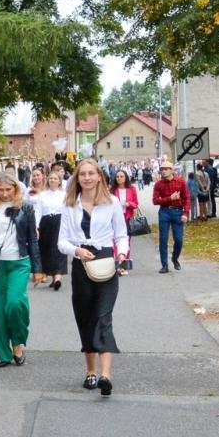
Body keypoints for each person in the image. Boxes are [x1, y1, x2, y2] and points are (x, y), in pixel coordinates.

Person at [59, 159, 129, 396]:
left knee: (103, 316)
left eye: (91, 173)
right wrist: (76, 251)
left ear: (99, 176)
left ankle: (105, 375)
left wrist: (121, 255)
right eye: (82, 174)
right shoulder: (69, 205)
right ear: (77, 179)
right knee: (86, 317)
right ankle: (90, 370)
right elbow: (62, 241)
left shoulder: (112, 203)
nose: (87, 178)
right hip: (81, 262)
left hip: (107, 262)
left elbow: (121, 235)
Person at [0, 172, 41, 367]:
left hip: (19, 262)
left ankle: (18, 342)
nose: (4, 194)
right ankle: (4, 353)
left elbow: (32, 239)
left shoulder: (26, 208)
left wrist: (37, 269)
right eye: (0, 190)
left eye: (8, 189)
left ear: (16, 188)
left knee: (15, 303)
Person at [33, 168, 68, 291]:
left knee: (59, 249)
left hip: (60, 222)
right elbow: (38, 211)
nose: (53, 180)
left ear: (59, 181)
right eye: (51, 178)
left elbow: (68, 211)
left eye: (55, 178)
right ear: (48, 180)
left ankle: (58, 278)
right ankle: (52, 276)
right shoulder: (42, 195)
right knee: (47, 250)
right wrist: (36, 227)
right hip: (46, 222)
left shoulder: (64, 195)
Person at [152, 161, 190, 273]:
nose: (163, 171)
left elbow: (187, 198)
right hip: (164, 212)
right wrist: (170, 198)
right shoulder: (158, 184)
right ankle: (164, 265)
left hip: (178, 212)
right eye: (162, 169)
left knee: (179, 239)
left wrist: (185, 213)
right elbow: (155, 201)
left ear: (172, 170)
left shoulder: (180, 182)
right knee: (163, 240)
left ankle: (174, 258)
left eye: (166, 169)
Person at [110, 169, 141, 274]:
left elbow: (136, 204)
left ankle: (124, 265)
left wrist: (128, 204)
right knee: (115, 240)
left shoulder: (131, 189)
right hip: (115, 218)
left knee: (126, 241)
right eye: (117, 177)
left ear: (126, 177)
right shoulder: (113, 190)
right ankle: (117, 264)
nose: (119, 178)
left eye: (121, 176)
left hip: (127, 217)